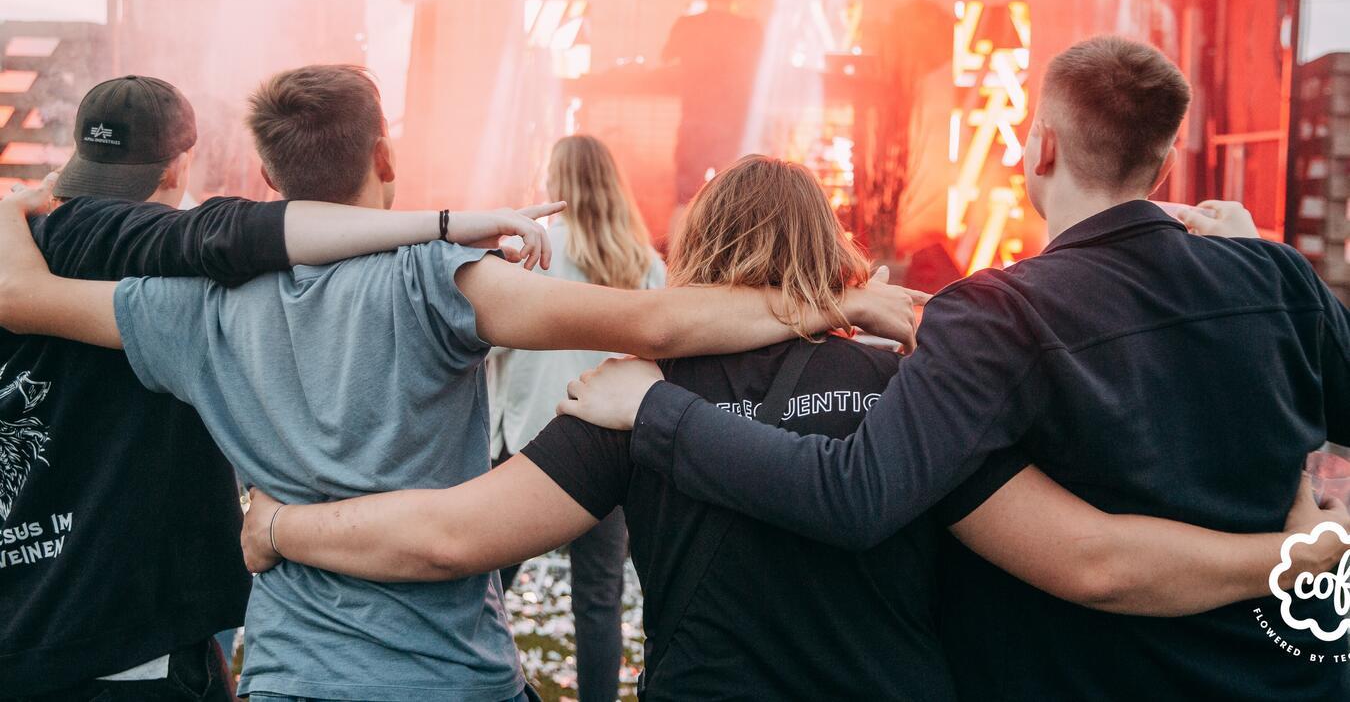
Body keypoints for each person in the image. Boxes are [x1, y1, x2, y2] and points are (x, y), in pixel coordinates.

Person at [237, 156, 1345, 701]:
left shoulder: (637, 388)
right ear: (827, 244)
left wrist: (284, 526)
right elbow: (1088, 554)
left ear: (700, 243)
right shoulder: (915, 384)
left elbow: (445, 537)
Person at [0, 65, 921, 702]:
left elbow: (27, 298)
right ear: (386, 157)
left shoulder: (189, 310)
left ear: (269, 173)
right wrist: (831, 303)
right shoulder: (437, 280)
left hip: (293, 670)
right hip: (440, 669)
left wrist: (17, 202)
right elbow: (650, 320)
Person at [561, 36, 1350, 700]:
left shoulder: (995, 311)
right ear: (1166, 160)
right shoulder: (1276, 278)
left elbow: (856, 493)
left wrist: (659, 410)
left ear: (1042, 144)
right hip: (1293, 674)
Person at [0, 74, 561, 701]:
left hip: (27, 628)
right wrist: (445, 225)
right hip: (135, 643)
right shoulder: (158, 249)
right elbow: (257, 234)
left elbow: (25, 295)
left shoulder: (31, 245)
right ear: (178, 168)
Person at [487, 135, 663, 702]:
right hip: (611, 444)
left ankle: (470, 679)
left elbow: (489, 345)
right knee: (598, 595)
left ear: (557, 183)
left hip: (531, 438)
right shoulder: (644, 263)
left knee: (487, 578)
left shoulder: (530, 253)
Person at [662, 0, 763, 206]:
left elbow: (665, 58)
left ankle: (682, 244)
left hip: (695, 125)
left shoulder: (687, 25)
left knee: (685, 200)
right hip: (733, 128)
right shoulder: (750, 29)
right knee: (735, 201)